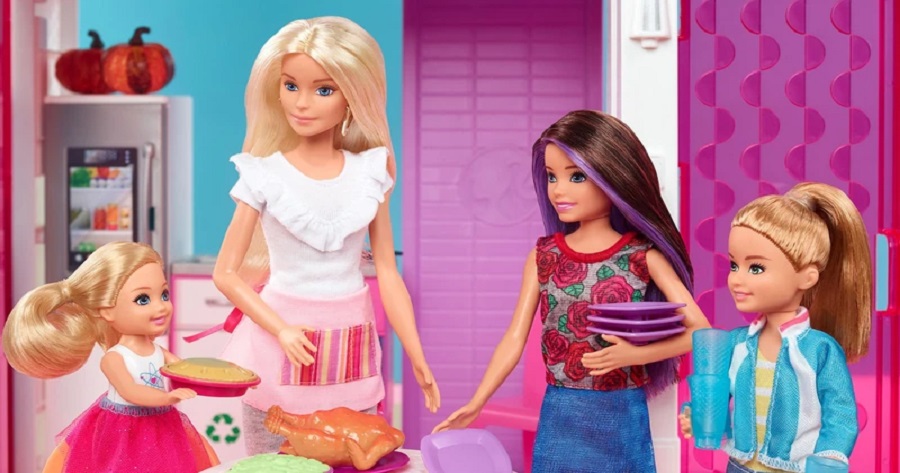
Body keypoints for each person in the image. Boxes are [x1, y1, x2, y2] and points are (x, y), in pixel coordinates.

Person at [210, 17, 440, 454]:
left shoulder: (370, 172)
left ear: (352, 96)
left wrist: (416, 354)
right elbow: (226, 274)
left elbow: (388, 273)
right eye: (290, 85)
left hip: (350, 342)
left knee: (357, 456)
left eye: (323, 90)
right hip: (279, 344)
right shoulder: (263, 175)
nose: (301, 103)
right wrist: (281, 330)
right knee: (275, 461)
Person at [434, 110, 710, 472]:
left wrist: (635, 355)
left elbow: (701, 332)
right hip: (561, 410)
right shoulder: (544, 256)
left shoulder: (641, 256)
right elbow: (514, 338)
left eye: (576, 176)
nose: (558, 190)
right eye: (552, 176)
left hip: (621, 411)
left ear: (614, 177)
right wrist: (478, 401)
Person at [680, 182, 869, 472]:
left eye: (756, 268)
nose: (736, 279)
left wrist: (827, 461)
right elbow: (717, 398)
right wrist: (697, 418)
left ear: (807, 277)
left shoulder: (819, 350)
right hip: (739, 466)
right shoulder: (736, 343)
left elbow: (840, 415)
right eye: (733, 265)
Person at [1, 241, 218, 472]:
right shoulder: (115, 358)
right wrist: (167, 397)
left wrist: (214, 378)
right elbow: (130, 391)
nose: (161, 307)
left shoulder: (156, 351)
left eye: (164, 294)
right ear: (106, 311)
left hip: (160, 423)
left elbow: (183, 369)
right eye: (143, 299)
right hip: (122, 430)